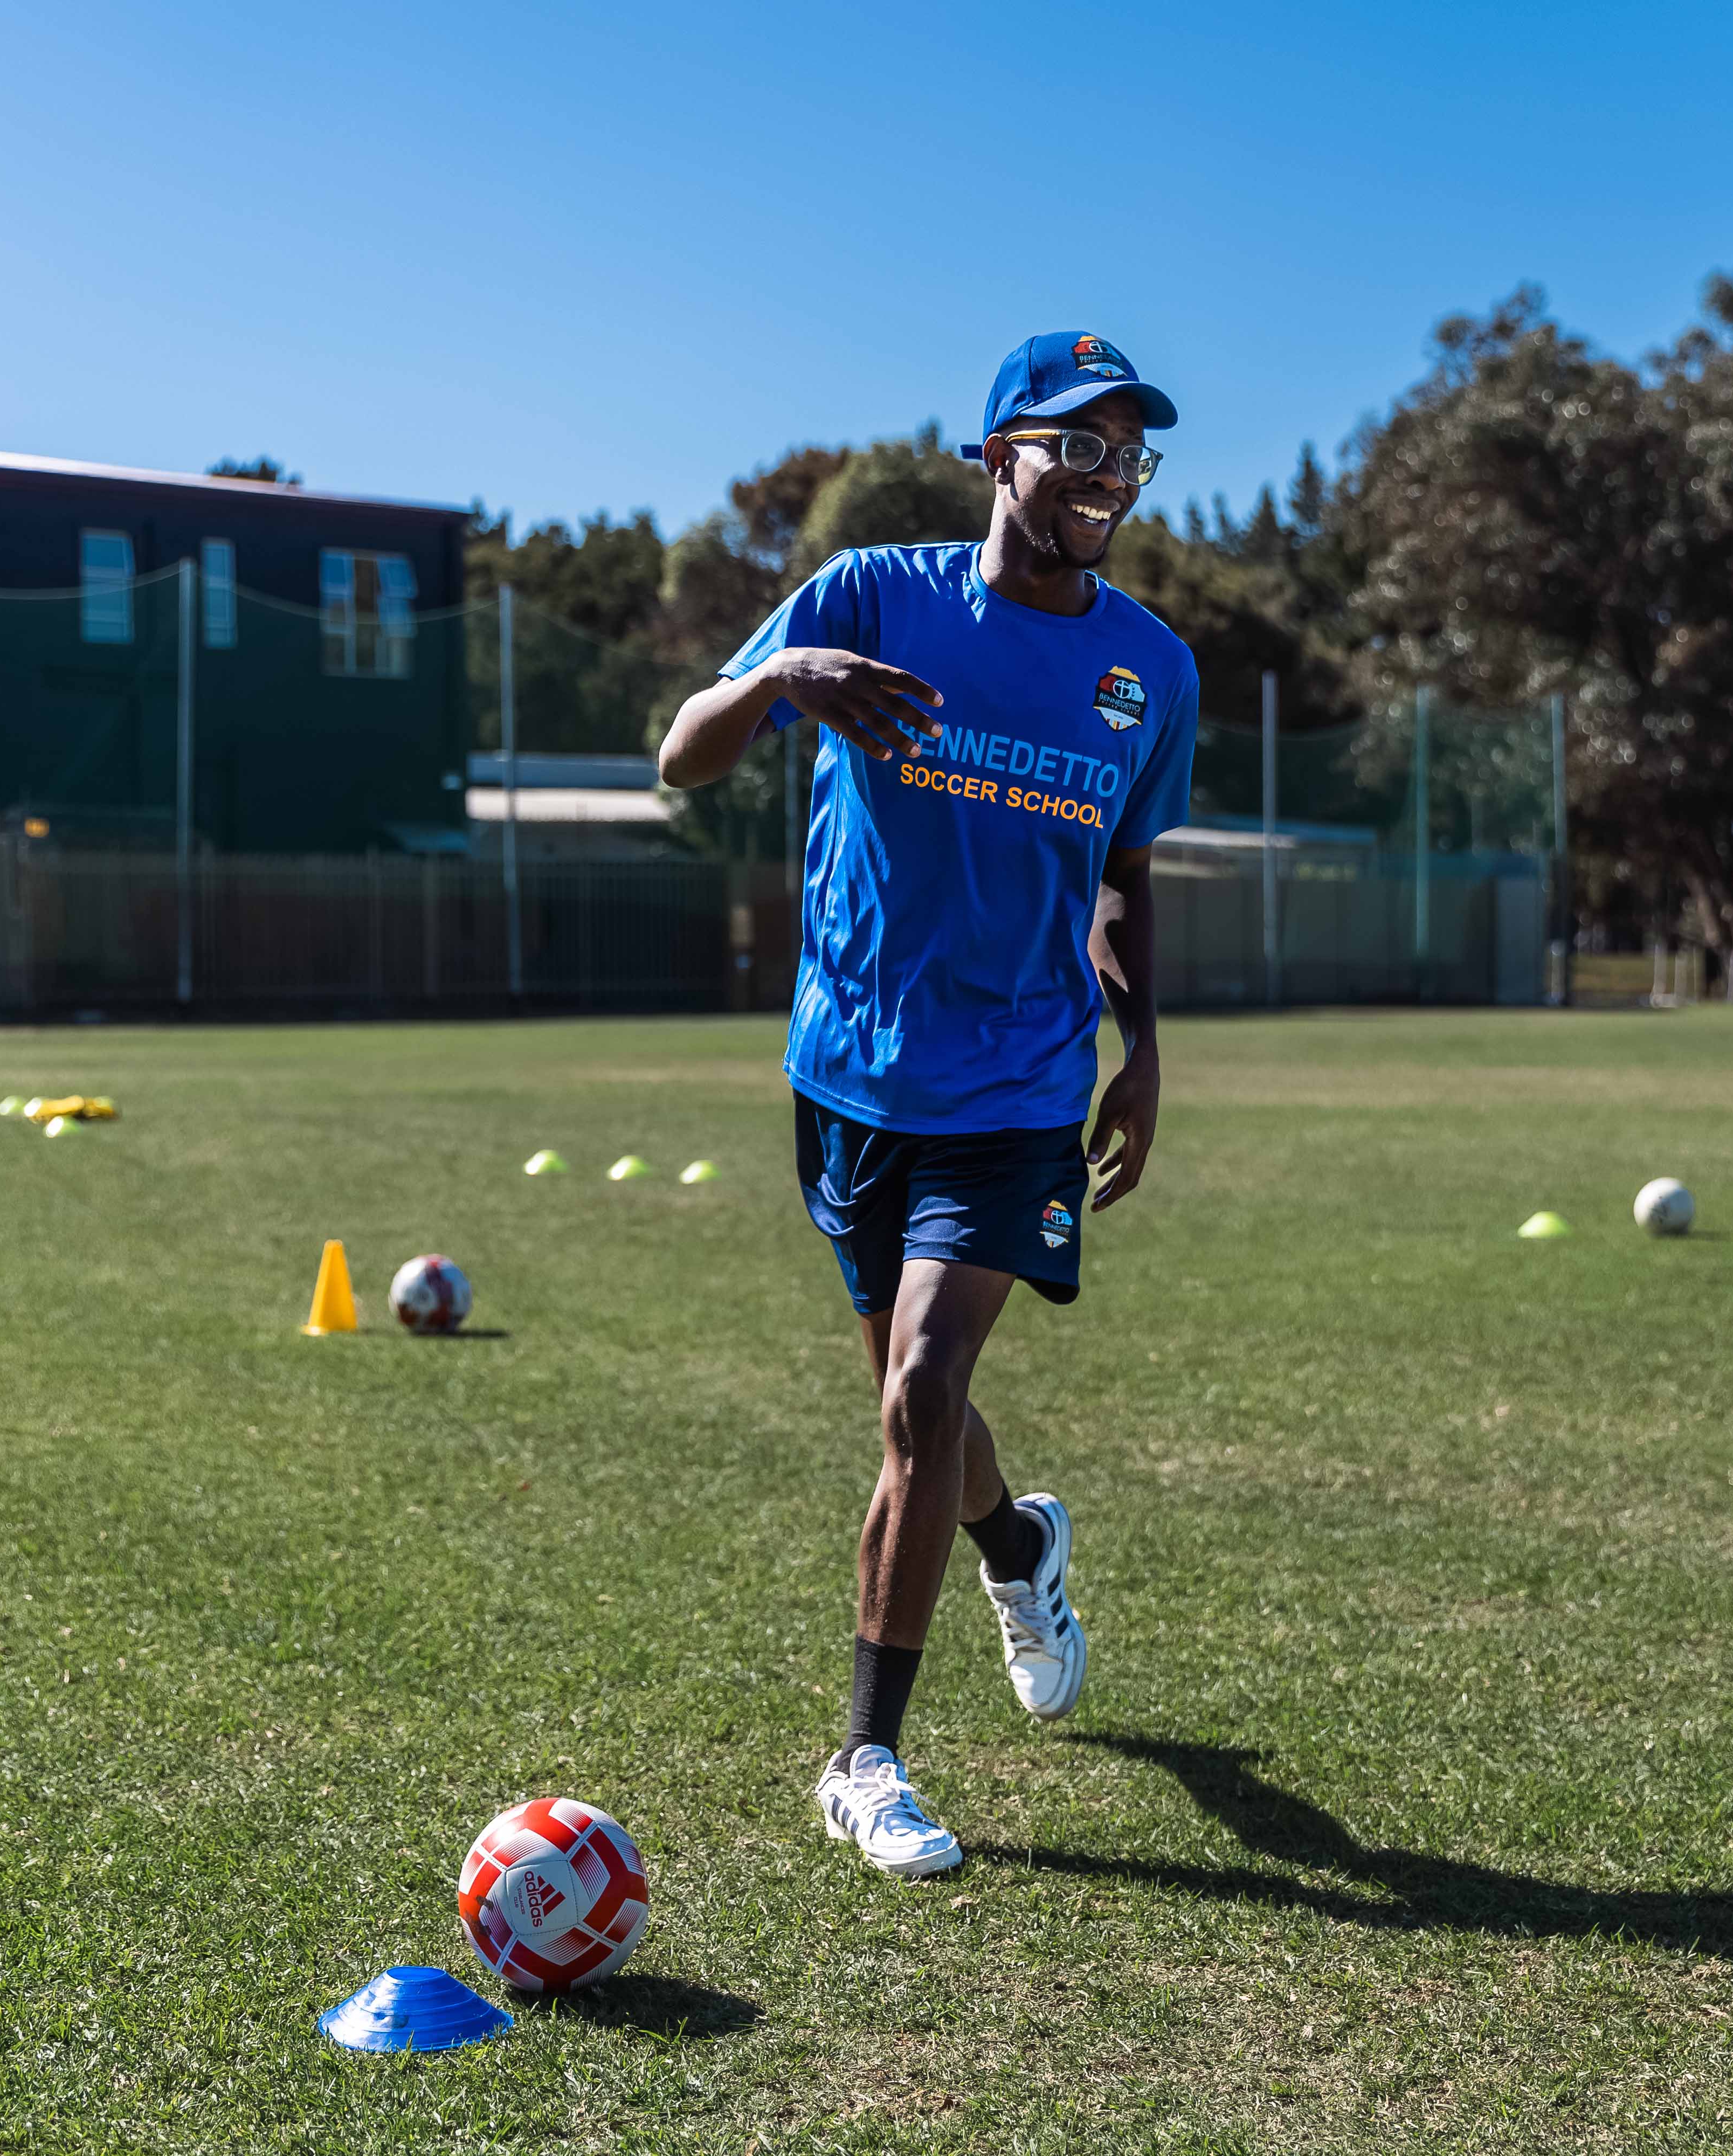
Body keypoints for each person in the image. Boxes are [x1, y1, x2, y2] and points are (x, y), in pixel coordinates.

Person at [655, 333, 1197, 1879]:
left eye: (1128, 454)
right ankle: (1016, 1544)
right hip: (850, 1074)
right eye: (1075, 446)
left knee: (920, 1391)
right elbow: (685, 757)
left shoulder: (1151, 671)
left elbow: (1123, 874)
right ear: (998, 455)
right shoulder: (872, 597)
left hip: (1022, 1082)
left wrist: (1144, 1046)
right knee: (919, 1410)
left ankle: (864, 1760)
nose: (1105, 478)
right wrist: (781, 678)